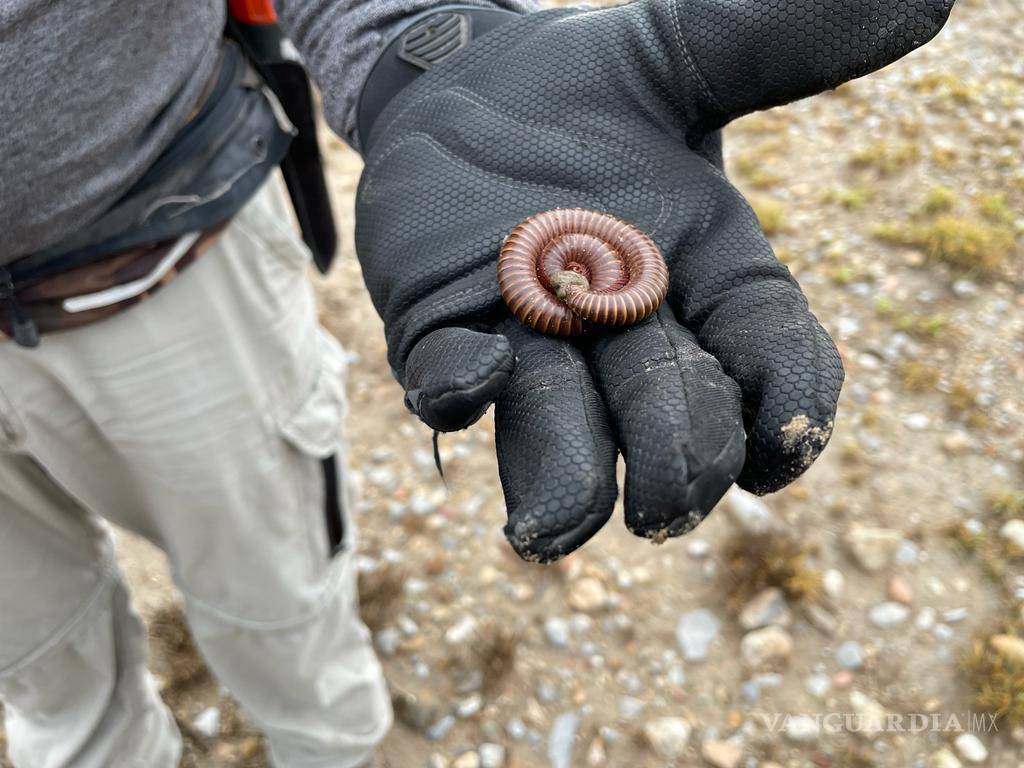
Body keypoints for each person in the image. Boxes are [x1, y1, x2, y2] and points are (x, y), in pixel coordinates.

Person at [0, 0, 955, 765]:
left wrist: (418, 44)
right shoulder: (575, 272)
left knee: (272, 594)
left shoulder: (572, 268)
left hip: (162, 250)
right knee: (41, 670)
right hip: (557, 263)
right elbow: (575, 277)